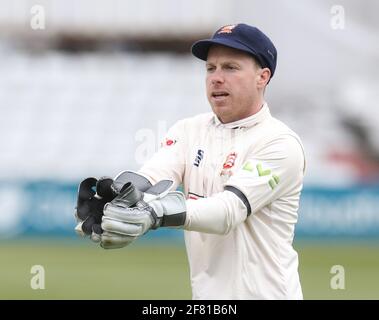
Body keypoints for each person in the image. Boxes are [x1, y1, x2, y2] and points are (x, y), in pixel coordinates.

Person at [75, 23, 306, 300]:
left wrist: (154, 214)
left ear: (262, 77)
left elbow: (228, 212)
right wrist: (116, 196)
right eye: (211, 68)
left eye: (230, 68)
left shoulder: (280, 143)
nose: (216, 78)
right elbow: (153, 177)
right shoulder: (189, 130)